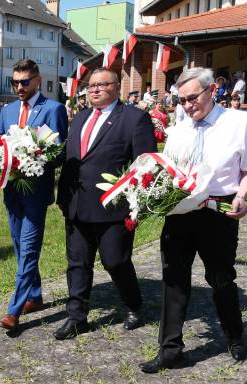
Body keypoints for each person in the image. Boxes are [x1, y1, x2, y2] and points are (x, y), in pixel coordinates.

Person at [139, 67, 247, 373]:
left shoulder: (237, 122)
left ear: (211, 91)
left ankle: (234, 336)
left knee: (220, 277)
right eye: (181, 101)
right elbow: (167, 170)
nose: (187, 105)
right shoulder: (181, 126)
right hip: (180, 212)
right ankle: (170, 350)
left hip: (218, 211)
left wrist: (242, 196)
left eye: (192, 98)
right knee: (174, 278)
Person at [55, 68, 156, 340]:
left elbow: (146, 165)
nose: (95, 90)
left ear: (116, 87)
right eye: (91, 85)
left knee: (116, 261)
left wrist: (136, 203)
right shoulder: (80, 118)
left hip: (113, 208)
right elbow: (70, 157)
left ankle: (133, 304)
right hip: (76, 204)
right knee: (77, 262)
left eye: (102, 85)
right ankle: (77, 317)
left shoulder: (135, 119)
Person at [0, 59, 68, 331]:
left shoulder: (53, 109)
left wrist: (37, 156)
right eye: (14, 82)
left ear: (37, 80)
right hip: (12, 192)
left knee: (28, 248)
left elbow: (60, 152)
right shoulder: (8, 111)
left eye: (24, 82)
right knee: (18, 245)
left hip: (36, 192)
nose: (19, 87)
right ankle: (35, 295)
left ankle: (14, 310)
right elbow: (0, 145)